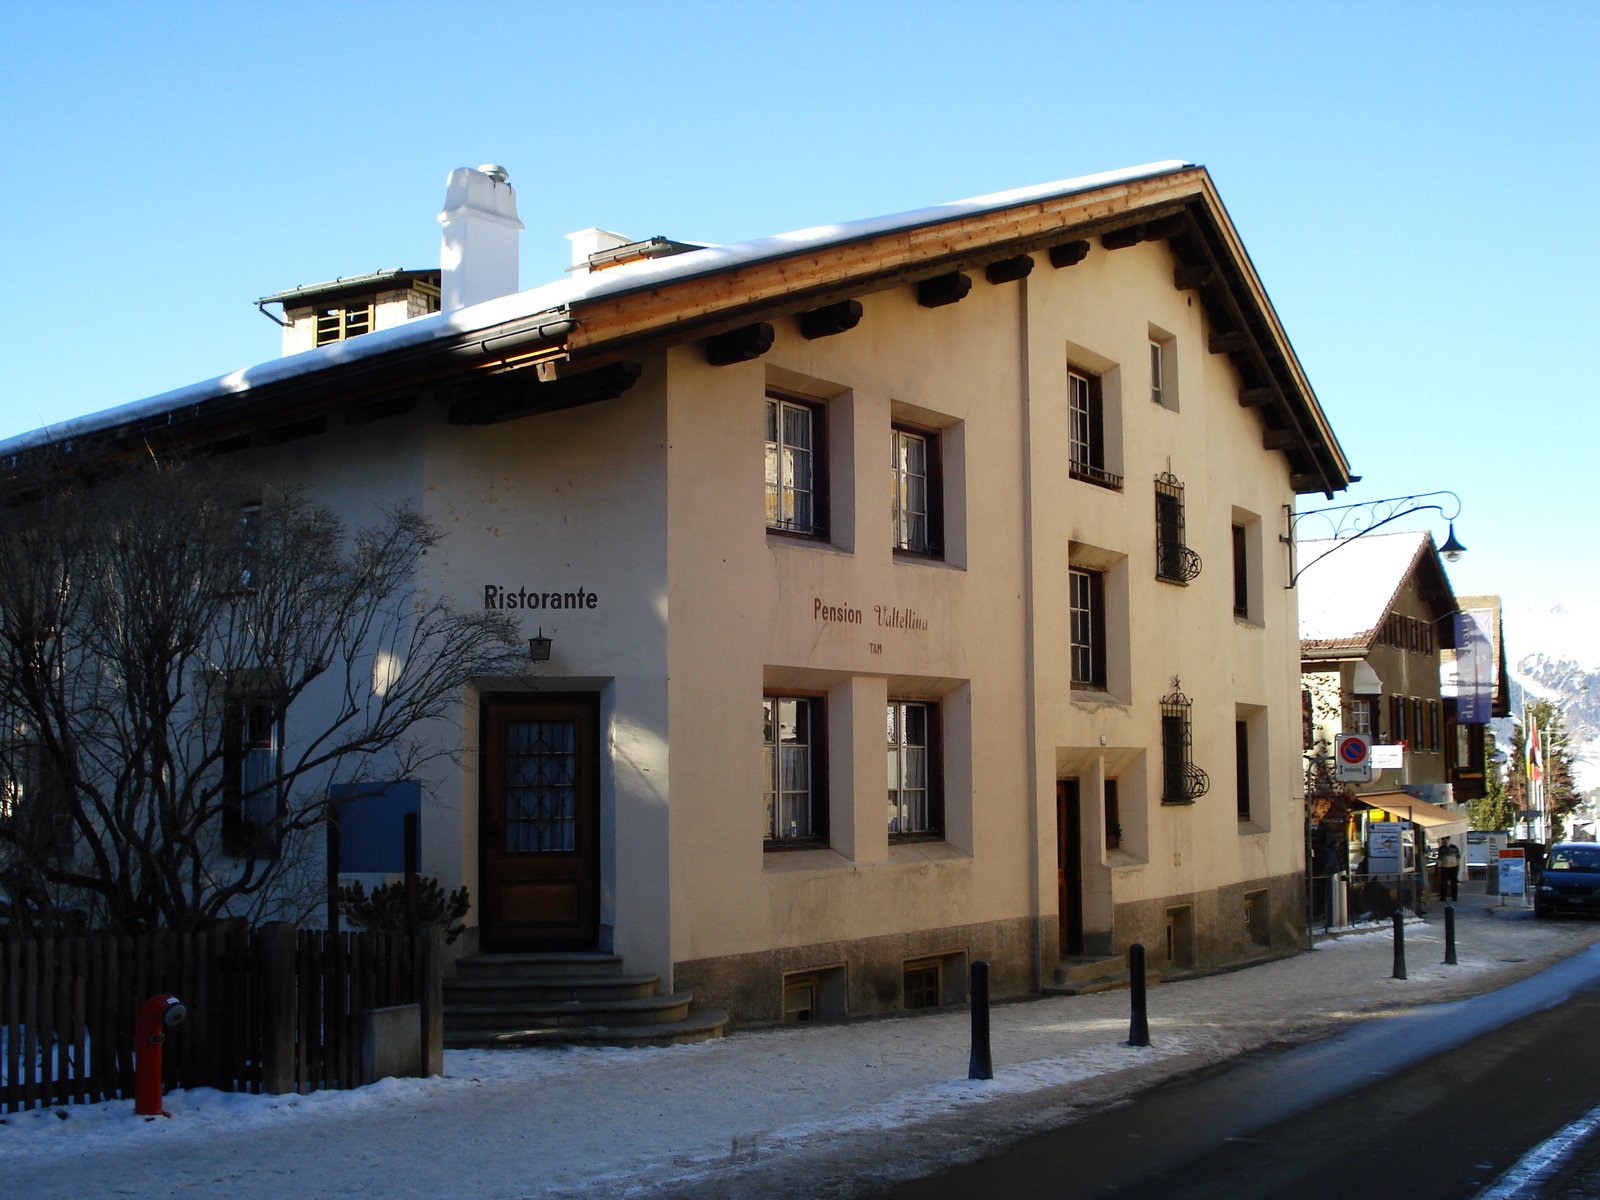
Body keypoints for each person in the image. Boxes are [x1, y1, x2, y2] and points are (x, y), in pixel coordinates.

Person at [1437, 836, 1462, 901]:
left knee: (1454, 882)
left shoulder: (1454, 847)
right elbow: (1439, 858)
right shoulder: (1441, 848)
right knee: (1444, 882)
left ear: (1448, 839)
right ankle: (1443, 897)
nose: (1443, 841)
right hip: (1444, 866)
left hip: (1454, 866)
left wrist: (1458, 865)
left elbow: (1458, 857)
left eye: (1444, 840)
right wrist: (1439, 866)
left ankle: (1454, 896)